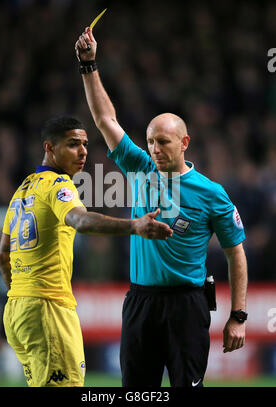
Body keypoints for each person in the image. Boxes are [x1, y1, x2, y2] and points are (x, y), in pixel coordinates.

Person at [75, 27, 248, 387]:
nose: (154, 148)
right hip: (141, 301)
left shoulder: (212, 193)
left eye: (163, 141)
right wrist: (88, 65)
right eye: (150, 141)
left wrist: (239, 316)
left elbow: (236, 254)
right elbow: (105, 120)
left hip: (188, 304)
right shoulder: (139, 167)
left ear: (184, 142)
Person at [0, 116, 173, 387]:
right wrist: (134, 225)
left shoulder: (22, 190)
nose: (83, 151)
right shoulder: (57, 185)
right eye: (73, 144)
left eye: (85, 144)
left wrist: (21, 294)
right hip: (48, 308)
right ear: (49, 148)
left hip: (17, 310)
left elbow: (2, 256)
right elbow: (80, 220)